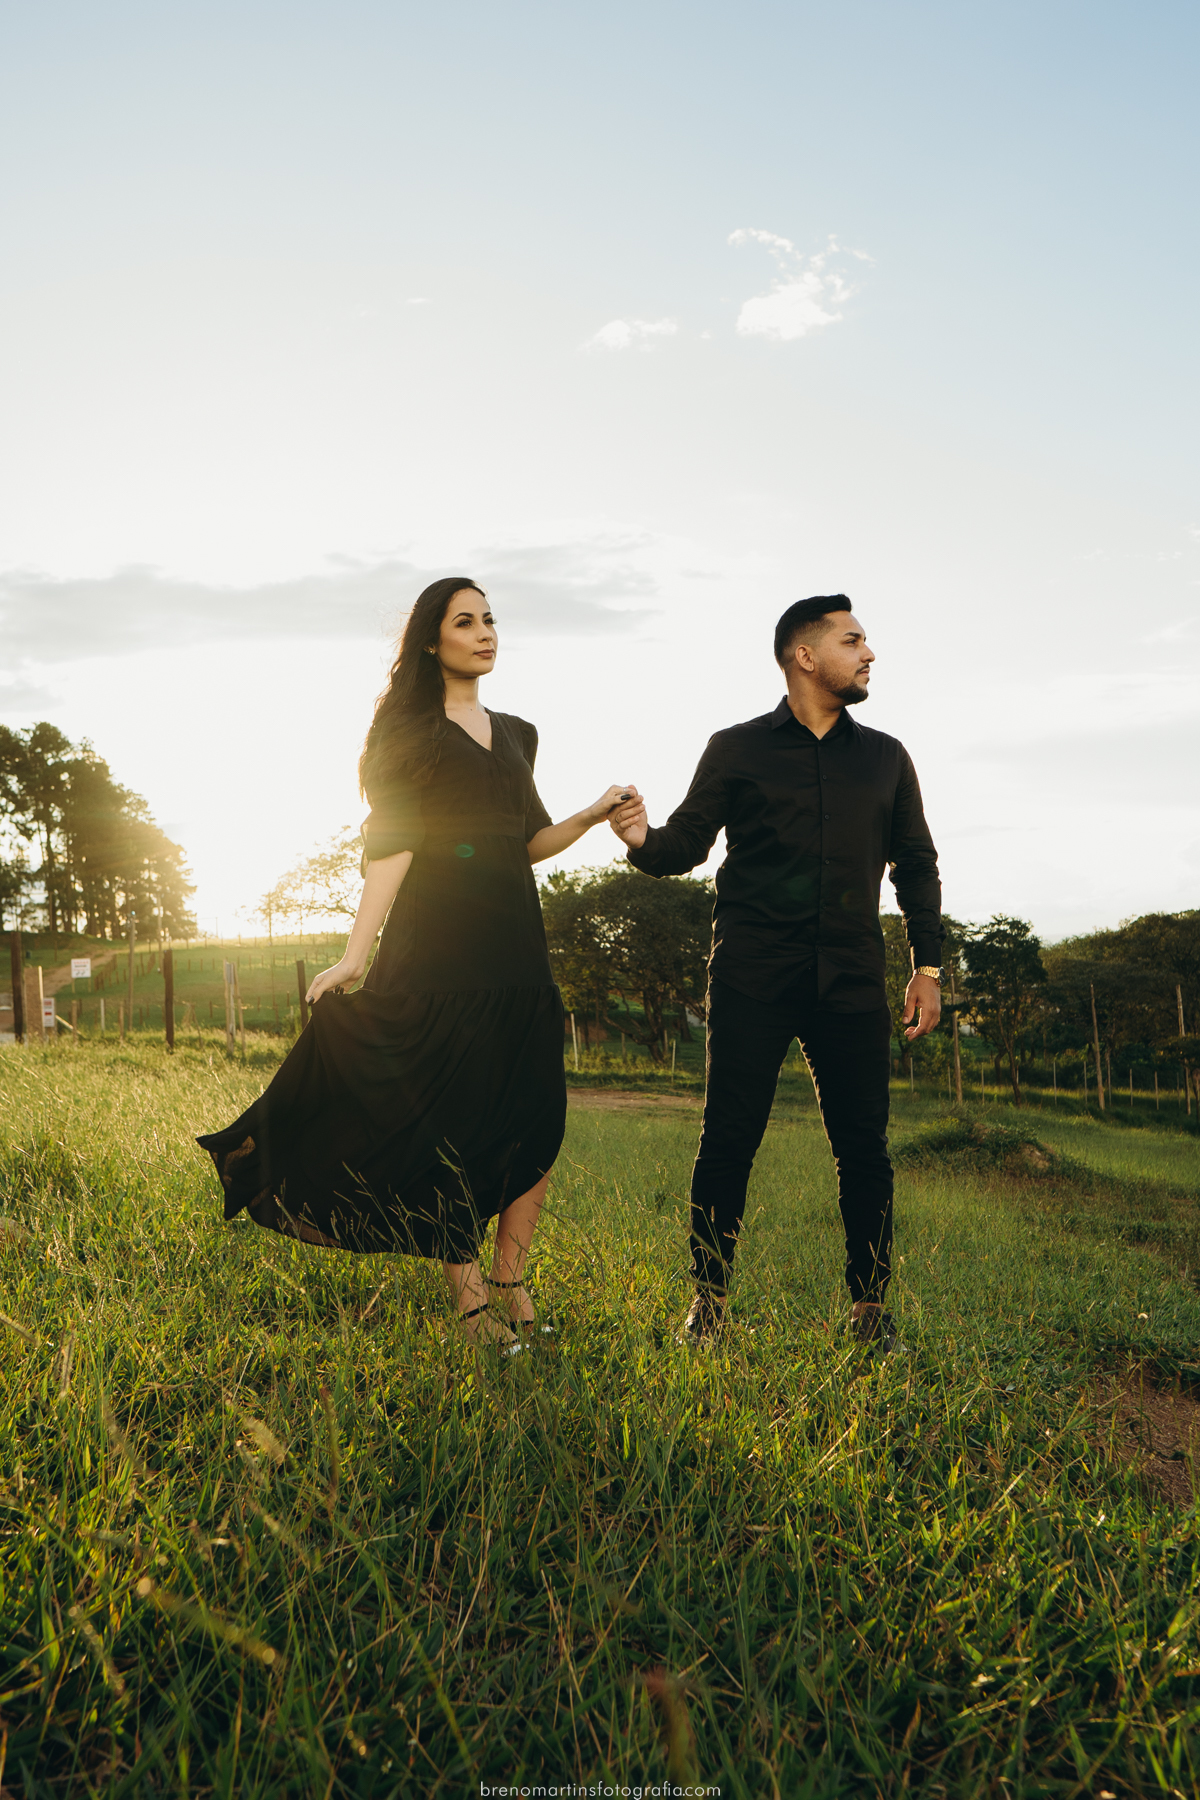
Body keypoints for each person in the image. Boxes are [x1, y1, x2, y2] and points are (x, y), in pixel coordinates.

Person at [198, 578, 642, 1350]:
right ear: (431, 642)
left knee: (537, 1113)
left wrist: (591, 815)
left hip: (516, 946)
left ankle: (512, 1275)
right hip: (438, 947)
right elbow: (392, 850)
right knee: (453, 1123)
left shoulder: (518, 733)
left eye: (490, 619)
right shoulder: (409, 734)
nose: (484, 632)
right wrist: (354, 956)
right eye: (464, 622)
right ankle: (473, 1308)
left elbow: (525, 843)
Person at [611, 594, 943, 1350]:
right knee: (729, 1138)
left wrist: (928, 965)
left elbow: (916, 864)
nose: (869, 654)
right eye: (853, 640)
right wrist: (640, 839)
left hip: (854, 977)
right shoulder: (736, 749)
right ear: (805, 656)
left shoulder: (886, 757)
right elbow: (685, 845)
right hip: (753, 973)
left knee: (864, 1146)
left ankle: (868, 1310)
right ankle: (710, 1304)